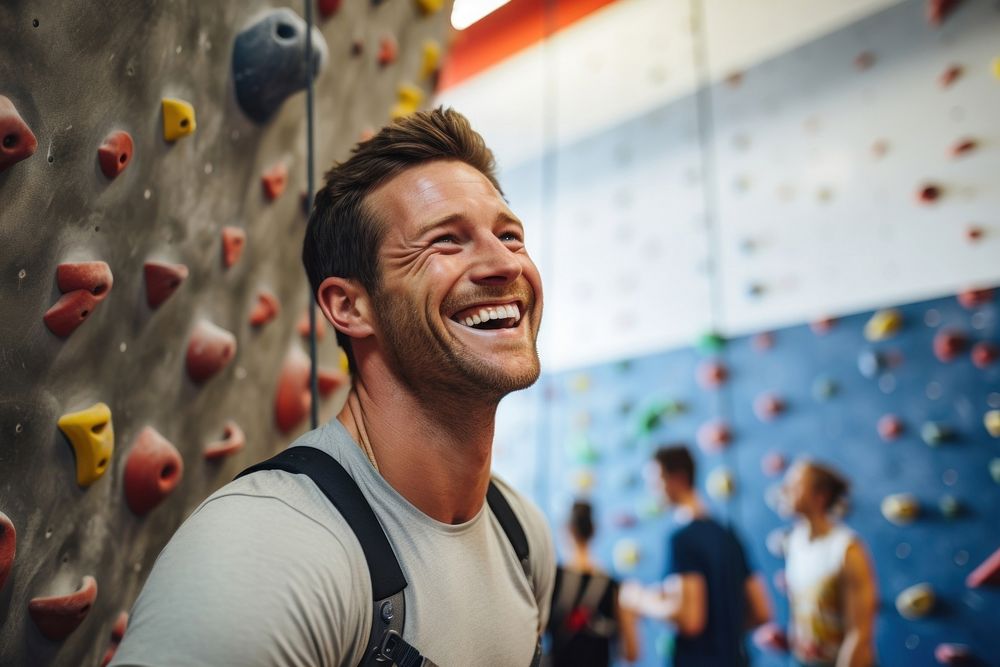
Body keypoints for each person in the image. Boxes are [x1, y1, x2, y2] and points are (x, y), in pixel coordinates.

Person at [111, 108, 555, 666]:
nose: (501, 263)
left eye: (510, 235)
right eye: (445, 241)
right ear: (349, 306)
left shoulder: (522, 537)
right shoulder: (270, 549)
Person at [621, 445, 771, 667]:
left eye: (657, 480)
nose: (653, 489)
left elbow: (691, 619)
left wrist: (640, 599)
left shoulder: (682, 538)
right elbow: (761, 612)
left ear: (678, 479)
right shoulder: (728, 535)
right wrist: (723, 633)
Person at [783, 460, 878, 667]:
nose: (785, 489)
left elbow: (858, 635)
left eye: (796, 485)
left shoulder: (846, 550)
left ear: (820, 496)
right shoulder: (795, 543)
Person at [546, 501, 639, 666]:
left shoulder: (552, 577)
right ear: (595, 530)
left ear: (567, 530)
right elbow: (631, 653)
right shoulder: (614, 586)